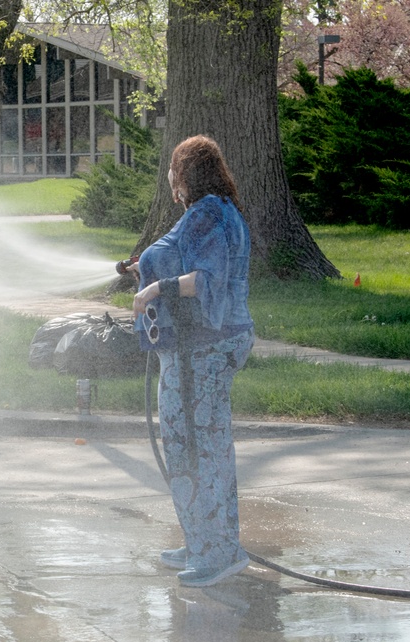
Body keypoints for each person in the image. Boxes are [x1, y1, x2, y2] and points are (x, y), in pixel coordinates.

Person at [129, 135, 255, 588]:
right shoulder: (214, 211)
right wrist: (143, 266)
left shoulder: (208, 214)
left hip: (203, 348)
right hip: (196, 347)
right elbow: (184, 259)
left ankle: (218, 553)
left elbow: (206, 278)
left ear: (185, 175)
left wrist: (154, 289)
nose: (169, 179)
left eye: (172, 171)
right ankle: (201, 539)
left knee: (199, 447)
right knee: (192, 442)